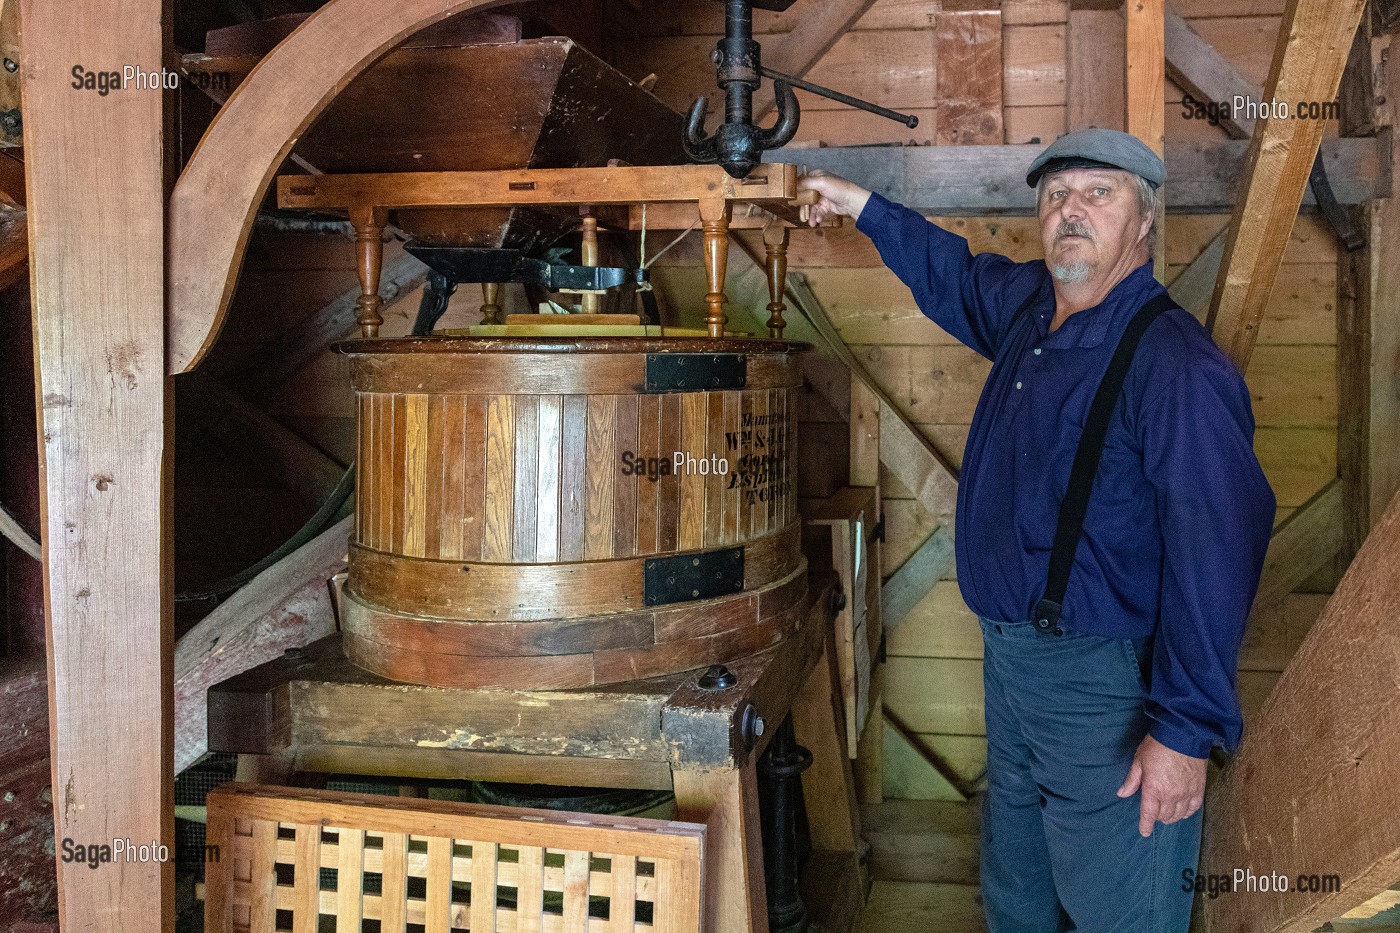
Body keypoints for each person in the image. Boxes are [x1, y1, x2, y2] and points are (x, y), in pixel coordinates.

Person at [797, 129, 1276, 933]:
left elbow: (1215, 550)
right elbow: (950, 272)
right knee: (1017, 884)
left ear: (1144, 221)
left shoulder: (1177, 368)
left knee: (1119, 902)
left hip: (1101, 683)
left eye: (1100, 194)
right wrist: (863, 207)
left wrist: (1186, 731)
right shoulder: (1028, 308)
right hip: (1010, 661)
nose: (1072, 211)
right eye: (1057, 196)